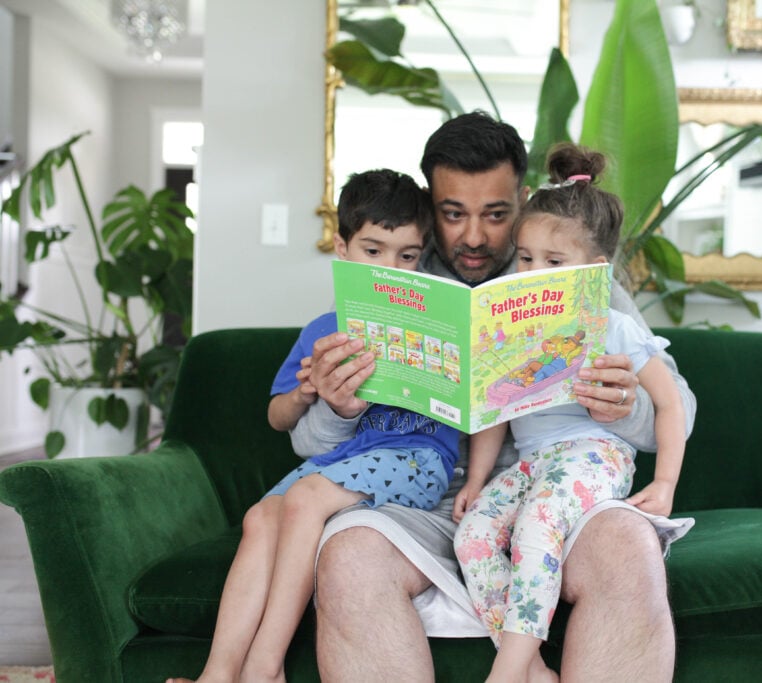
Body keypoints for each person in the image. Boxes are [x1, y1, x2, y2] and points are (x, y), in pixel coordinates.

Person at [294, 111, 697, 681]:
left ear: (524, 198)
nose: (475, 236)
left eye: (496, 214)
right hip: (422, 506)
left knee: (628, 546)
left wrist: (626, 408)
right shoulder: (391, 273)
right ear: (429, 205)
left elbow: (681, 406)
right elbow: (303, 439)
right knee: (348, 554)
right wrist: (337, 410)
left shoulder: (576, 275)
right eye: (453, 214)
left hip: (559, 491)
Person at [166, 169, 458, 683]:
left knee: (302, 502)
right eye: (373, 251)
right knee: (262, 518)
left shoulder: (437, 321)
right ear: (342, 249)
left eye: (406, 256)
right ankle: (218, 672)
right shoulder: (325, 330)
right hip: (343, 461)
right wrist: (308, 392)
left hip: (418, 458)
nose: (390, 267)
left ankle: (265, 666)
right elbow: (277, 416)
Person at [453, 143, 688, 682]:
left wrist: (667, 482)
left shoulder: (616, 325)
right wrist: (480, 479)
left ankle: (506, 672)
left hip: (594, 454)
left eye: (554, 263)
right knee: (473, 536)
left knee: (538, 528)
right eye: (527, 258)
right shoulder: (510, 323)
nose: (535, 273)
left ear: (595, 270)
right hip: (533, 462)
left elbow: (670, 402)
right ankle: (534, 668)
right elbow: (495, 411)